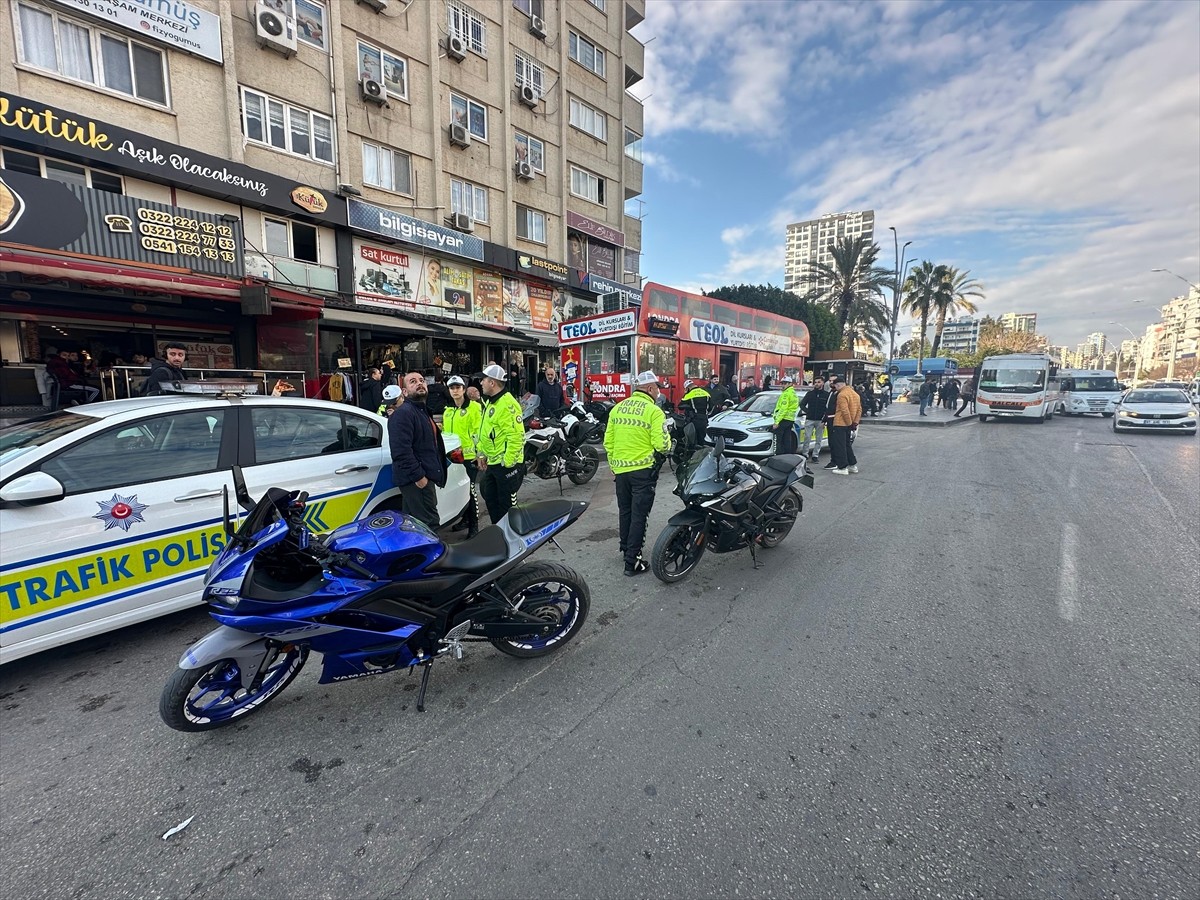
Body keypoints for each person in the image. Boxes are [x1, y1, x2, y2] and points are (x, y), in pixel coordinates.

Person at [604, 370, 670, 577]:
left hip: (621, 472)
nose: (658, 391)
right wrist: (670, 443)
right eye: (657, 387)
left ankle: (625, 548)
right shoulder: (654, 411)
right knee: (640, 516)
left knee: (625, 512)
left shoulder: (618, 408)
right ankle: (633, 562)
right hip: (643, 472)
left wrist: (615, 466)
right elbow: (662, 445)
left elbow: (608, 442)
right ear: (650, 388)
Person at [387, 371, 448, 530]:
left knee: (415, 526)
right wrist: (419, 477)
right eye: (413, 382)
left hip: (422, 478)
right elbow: (401, 451)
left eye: (422, 380)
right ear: (405, 392)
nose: (419, 383)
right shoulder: (404, 413)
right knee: (429, 524)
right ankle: (435, 555)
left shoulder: (421, 410)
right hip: (416, 480)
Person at [476, 363, 526, 524]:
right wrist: (482, 454)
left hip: (505, 465)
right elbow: (486, 432)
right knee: (491, 499)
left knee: (507, 508)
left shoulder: (507, 404)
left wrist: (508, 463)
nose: (481, 383)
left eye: (483, 380)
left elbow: (517, 436)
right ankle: (499, 536)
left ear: (492, 382)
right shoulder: (491, 402)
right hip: (493, 463)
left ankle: (513, 542)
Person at [443, 375, 482, 538]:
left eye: (458, 387)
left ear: (464, 389)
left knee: (470, 492)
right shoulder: (448, 411)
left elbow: (479, 433)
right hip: (453, 458)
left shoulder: (474, 408)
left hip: (470, 457)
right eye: (452, 388)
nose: (455, 391)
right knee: (458, 491)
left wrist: (480, 454)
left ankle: (474, 525)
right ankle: (465, 519)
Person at [829, 380, 862, 475]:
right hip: (850, 424)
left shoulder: (841, 395)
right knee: (847, 445)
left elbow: (844, 410)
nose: (835, 388)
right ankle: (852, 465)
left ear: (838, 385)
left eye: (835, 386)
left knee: (839, 445)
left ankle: (842, 467)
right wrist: (854, 423)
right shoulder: (855, 394)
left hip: (840, 423)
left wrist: (849, 423)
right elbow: (859, 409)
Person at [797, 376, 828, 461]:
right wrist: (807, 411)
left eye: (819, 382)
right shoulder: (810, 394)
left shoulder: (826, 395)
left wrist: (824, 418)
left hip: (820, 420)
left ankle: (815, 456)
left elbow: (828, 408)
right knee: (807, 437)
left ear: (822, 383)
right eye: (815, 382)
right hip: (810, 419)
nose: (817, 384)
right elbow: (802, 404)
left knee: (819, 439)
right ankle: (805, 454)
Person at [678, 379, 711, 453]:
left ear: (687, 388)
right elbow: (711, 407)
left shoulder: (689, 395)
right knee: (702, 440)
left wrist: (685, 394)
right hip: (704, 419)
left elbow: (680, 406)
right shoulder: (706, 393)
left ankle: (693, 457)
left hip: (694, 420)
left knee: (693, 441)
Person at [770, 376, 799, 454]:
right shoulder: (794, 393)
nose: (783, 385)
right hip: (790, 420)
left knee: (778, 440)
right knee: (787, 440)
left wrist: (777, 422)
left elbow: (783, 409)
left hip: (783, 419)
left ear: (790, 384)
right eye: (782, 383)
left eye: (785, 383)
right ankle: (787, 456)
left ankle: (778, 456)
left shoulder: (786, 394)